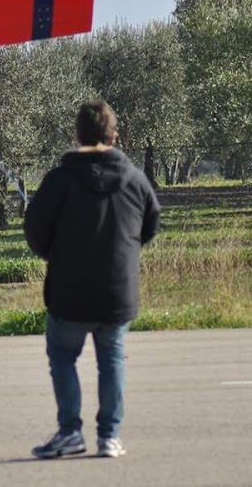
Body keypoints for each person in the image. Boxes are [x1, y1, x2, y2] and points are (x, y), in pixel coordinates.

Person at [24, 100, 160, 459]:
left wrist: (55, 255)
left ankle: (70, 432)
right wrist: (126, 253)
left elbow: (35, 230)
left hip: (68, 292)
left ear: (78, 134)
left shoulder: (59, 180)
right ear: (114, 135)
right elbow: (150, 225)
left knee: (63, 357)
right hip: (117, 291)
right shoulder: (135, 179)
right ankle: (109, 436)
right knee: (112, 360)